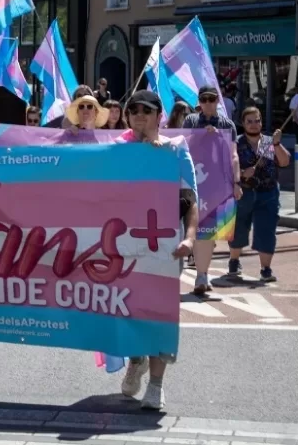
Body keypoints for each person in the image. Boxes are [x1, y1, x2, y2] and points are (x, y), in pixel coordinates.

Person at [115, 90, 198, 411]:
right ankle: (136, 359)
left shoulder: (175, 150)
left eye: (146, 110)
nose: (139, 115)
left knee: (158, 313)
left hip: (164, 245)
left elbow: (191, 200)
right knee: (127, 310)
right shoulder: (116, 151)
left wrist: (189, 239)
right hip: (123, 245)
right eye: (133, 110)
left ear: (159, 116)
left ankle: (157, 384)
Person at [179, 87, 242, 295]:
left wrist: (237, 182)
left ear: (217, 101)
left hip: (218, 181)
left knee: (211, 229)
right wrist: (201, 136)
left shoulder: (227, 125)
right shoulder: (191, 121)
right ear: (199, 102)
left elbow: (233, 155)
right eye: (204, 99)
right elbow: (184, 145)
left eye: (212, 99)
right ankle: (201, 275)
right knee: (195, 226)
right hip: (194, 180)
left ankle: (202, 274)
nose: (208, 103)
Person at [231, 106, 290, 282]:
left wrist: (277, 144)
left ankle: (266, 268)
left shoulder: (269, 142)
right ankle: (234, 260)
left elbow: (285, 161)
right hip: (244, 192)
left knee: (266, 229)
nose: (254, 125)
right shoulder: (237, 143)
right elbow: (226, 167)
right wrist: (242, 173)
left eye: (257, 120)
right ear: (243, 123)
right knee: (239, 227)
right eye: (249, 121)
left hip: (268, 193)